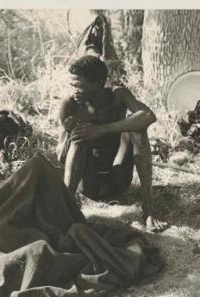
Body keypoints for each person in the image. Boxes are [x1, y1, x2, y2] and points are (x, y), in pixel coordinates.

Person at [56, 55, 168, 232]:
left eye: (80, 85)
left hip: (118, 179)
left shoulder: (118, 96)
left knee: (137, 128)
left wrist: (101, 130)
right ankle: (67, 209)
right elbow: (61, 157)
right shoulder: (70, 105)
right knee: (80, 135)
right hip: (88, 185)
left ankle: (148, 211)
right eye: (72, 85)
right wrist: (68, 132)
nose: (74, 90)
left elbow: (148, 116)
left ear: (99, 82)